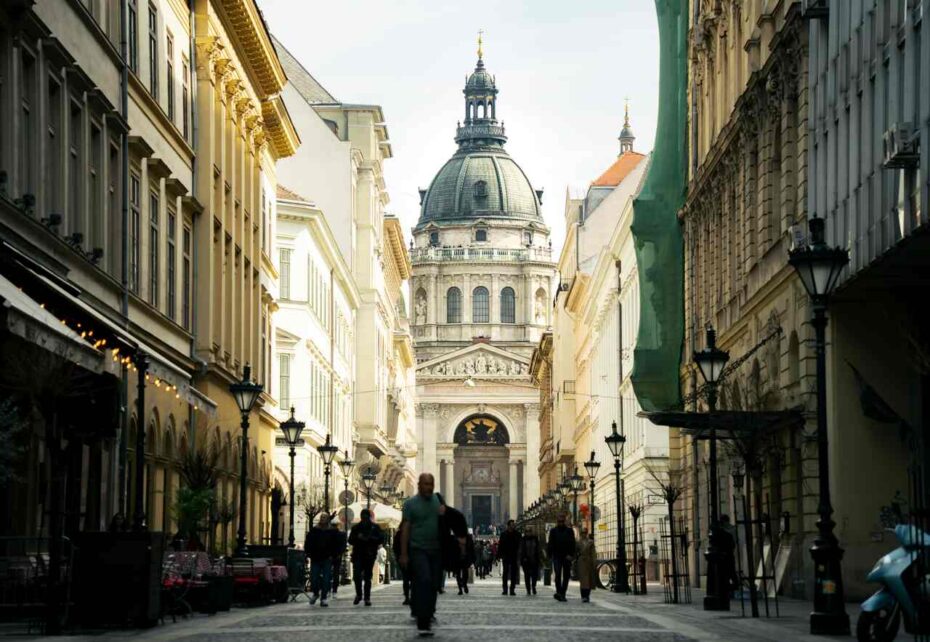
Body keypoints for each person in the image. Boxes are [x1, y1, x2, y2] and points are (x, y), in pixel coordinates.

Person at [399, 473, 443, 637]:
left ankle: (427, 611)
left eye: (431, 484)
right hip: (417, 549)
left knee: (433, 584)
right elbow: (405, 530)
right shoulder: (410, 504)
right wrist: (404, 553)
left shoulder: (438, 502)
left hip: (435, 549)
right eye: (426, 484)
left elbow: (447, 522)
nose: (429, 487)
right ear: (419, 485)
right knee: (423, 579)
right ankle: (422, 621)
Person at [348, 508, 383, 606]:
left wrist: (370, 539)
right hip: (358, 554)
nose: (365, 519)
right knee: (357, 576)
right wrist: (357, 537)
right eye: (363, 517)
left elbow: (381, 539)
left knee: (367, 577)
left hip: (369, 554)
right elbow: (350, 540)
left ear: (369, 517)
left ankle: (367, 597)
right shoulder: (356, 528)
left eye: (366, 517)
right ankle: (359, 594)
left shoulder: (375, 528)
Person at [305, 512, 337, 607]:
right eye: (321, 517)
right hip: (315, 557)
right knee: (313, 578)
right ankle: (315, 593)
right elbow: (308, 542)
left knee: (326, 579)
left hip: (327, 557)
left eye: (324, 517)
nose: (322, 519)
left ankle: (323, 598)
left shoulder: (331, 531)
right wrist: (308, 553)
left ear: (328, 519)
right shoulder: (314, 530)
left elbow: (335, 544)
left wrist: (333, 555)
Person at [547, 512, 576, 602]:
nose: (561, 523)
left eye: (562, 521)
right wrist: (549, 555)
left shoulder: (569, 531)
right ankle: (559, 592)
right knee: (558, 574)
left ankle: (563, 593)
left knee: (566, 575)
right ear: (557, 521)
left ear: (565, 521)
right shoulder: (553, 531)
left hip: (566, 556)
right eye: (559, 521)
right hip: (557, 556)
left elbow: (573, 544)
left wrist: (571, 555)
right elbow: (550, 544)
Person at [497, 520, 521, 595]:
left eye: (514, 525)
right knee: (505, 573)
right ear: (508, 526)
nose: (513, 526)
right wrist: (499, 555)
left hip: (514, 556)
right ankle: (505, 589)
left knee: (513, 573)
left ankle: (512, 589)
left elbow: (520, 545)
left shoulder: (517, 534)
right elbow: (500, 546)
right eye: (512, 525)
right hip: (506, 556)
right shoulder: (503, 534)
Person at [519, 525, 542, 595]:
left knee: (534, 575)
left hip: (534, 560)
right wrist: (522, 559)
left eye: (530, 531)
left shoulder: (535, 539)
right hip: (526, 560)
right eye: (527, 531)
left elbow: (538, 549)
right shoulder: (523, 539)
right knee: (527, 576)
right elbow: (521, 550)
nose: (528, 533)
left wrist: (539, 558)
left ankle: (533, 586)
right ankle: (528, 589)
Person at [576, 528, 597, 603]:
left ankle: (587, 595)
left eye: (585, 533)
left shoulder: (590, 542)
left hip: (589, 561)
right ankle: (583, 596)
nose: (583, 534)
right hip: (581, 561)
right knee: (583, 580)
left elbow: (593, 553)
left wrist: (594, 562)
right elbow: (575, 553)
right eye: (582, 533)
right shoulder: (578, 542)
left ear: (587, 533)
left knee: (588, 580)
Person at [392, 530, 411, 606]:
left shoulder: (399, 533)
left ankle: (407, 597)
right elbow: (395, 547)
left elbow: (395, 547)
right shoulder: (401, 533)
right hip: (408, 558)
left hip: (406, 558)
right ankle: (408, 597)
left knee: (406, 579)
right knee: (409, 579)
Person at [456, 531, 476, 595]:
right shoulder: (456, 538)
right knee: (458, 574)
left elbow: (472, 549)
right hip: (457, 559)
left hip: (466, 559)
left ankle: (464, 584)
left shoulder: (469, 538)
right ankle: (460, 589)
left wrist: (473, 560)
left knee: (465, 573)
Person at [330, 521, 347, 597]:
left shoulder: (328, 534)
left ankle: (328, 590)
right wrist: (340, 554)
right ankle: (334, 590)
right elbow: (343, 546)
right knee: (335, 573)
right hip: (337, 556)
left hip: (329, 556)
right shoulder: (342, 534)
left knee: (327, 573)